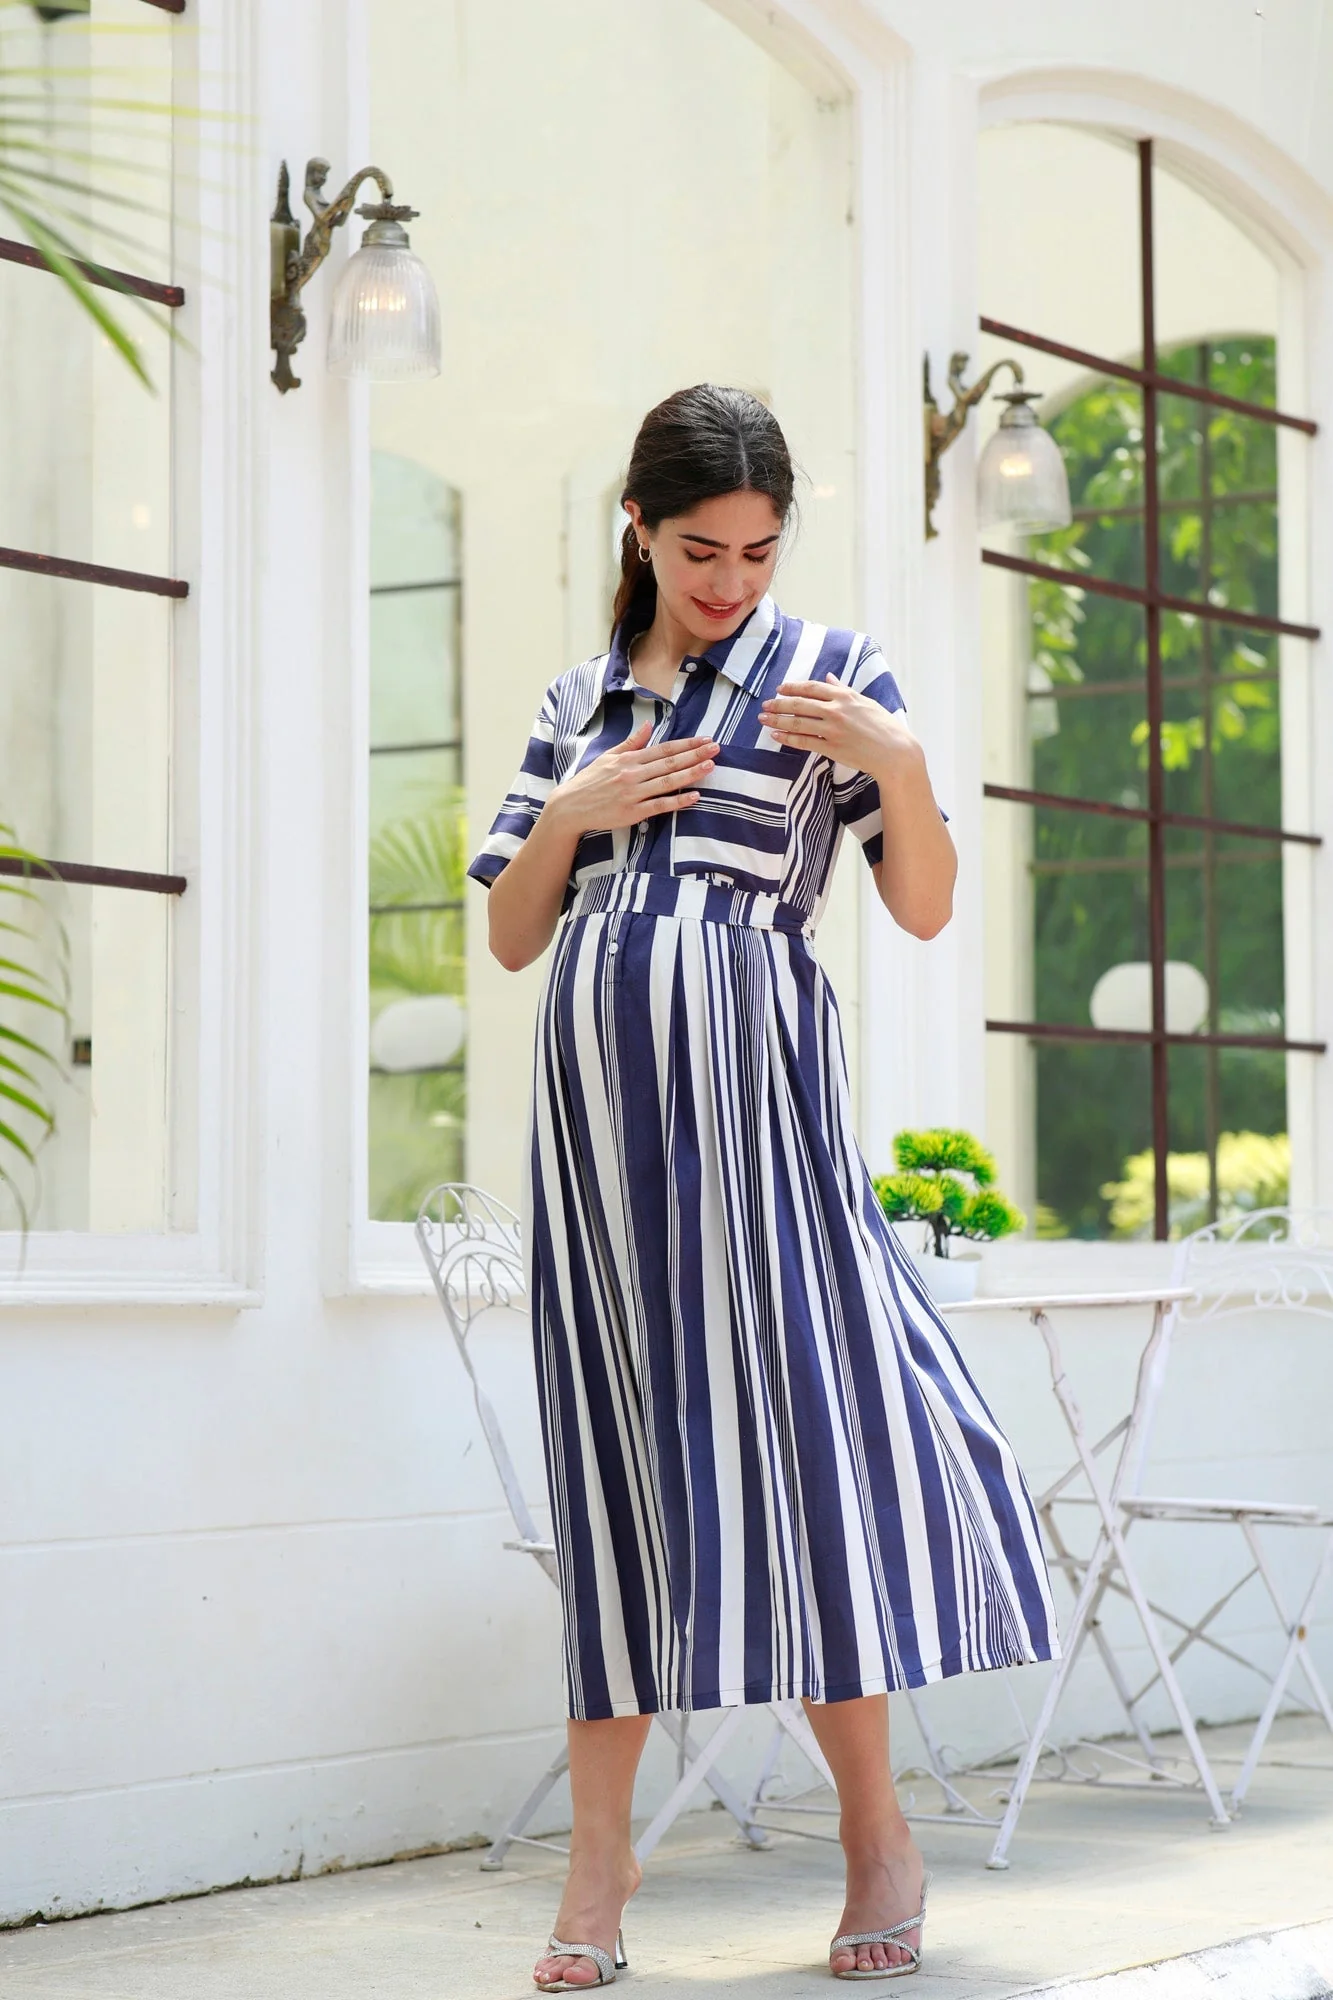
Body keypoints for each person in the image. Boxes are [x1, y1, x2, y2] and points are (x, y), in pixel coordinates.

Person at [467, 385, 1059, 1988]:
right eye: (699, 548)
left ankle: (878, 1834)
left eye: (758, 548)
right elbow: (517, 935)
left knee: (799, 1445)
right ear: (639, 532)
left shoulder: (833, 675)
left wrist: (907, 762)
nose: (730, 579)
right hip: (595, 1127)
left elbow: (923, 909)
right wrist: (573, 817)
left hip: (752, 1096)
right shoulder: (580, 701)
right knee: (616, 1454)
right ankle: (602, 1864)